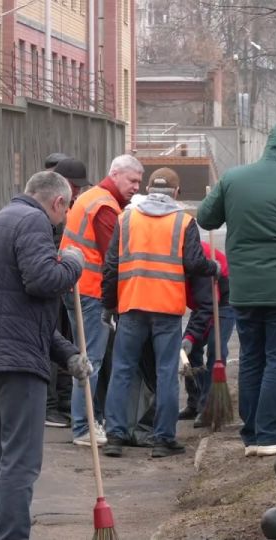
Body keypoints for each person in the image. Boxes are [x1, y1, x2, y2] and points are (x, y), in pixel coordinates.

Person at [0, 170, 94, 539]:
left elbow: (22, 310)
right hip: (19, 360)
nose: (65, 219)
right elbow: (42, 280)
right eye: (67, 209)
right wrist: (73, 263)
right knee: (21, 460)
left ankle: (0, 532)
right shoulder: (34, 222)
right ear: (58, 202)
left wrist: (68, 354)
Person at [197, 122, 276, 457]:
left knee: (253, 358)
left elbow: (206, 219)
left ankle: (252, 431)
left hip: (245, 288)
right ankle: (269, 433)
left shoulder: (233, 179)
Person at [100, 169, 220, 458]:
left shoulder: (126, 218)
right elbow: (193, 262)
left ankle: (115, 435)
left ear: (149, 189)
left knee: (123, 371)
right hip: (166, 309)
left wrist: (108, 303)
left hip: (131, 305)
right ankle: (162, 439)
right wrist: (212, 267)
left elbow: (111, 264)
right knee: (166, 373)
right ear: (176, 193)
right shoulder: (183, 222)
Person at [59, 154, 142, 445]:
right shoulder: (105, 207)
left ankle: (88, 421)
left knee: (88, 355)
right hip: (90, 291)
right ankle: (83, 427)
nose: (136, 187)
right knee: (90, 359)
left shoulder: (93, 197)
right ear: (116, 175)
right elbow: (113, 257)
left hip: (76, 287)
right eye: (132, 181)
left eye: (139, 182)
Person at [45, 156, 92, 428]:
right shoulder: (50, 211)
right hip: (54, 284)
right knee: (52, 343)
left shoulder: (71, 207)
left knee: (65, 341)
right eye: (76, 187)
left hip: (67, 284)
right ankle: (49, 405)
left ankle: (62, 401)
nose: (78, 192)